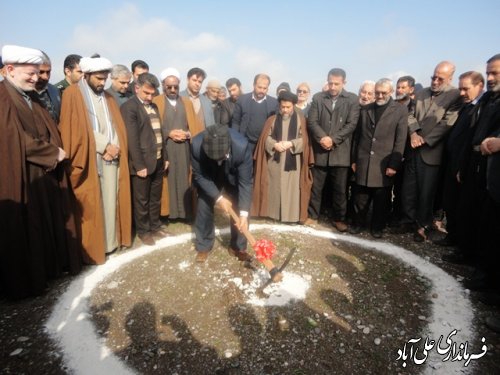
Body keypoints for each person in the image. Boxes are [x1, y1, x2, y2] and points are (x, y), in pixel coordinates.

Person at [0, 44, 81, 299]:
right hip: (22, 175)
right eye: (30, 74)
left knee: (46, 224)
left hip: (44, 174)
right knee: (27, 227)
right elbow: (12, 138)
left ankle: (49, 269)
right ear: (10, 69)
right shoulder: (3, 97)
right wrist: (51, 153)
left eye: (38, 73)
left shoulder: (31, 95)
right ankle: (29, 281)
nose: (36, 79)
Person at [59, 55, 132, 264]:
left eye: (105, 79)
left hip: (112, 157)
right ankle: (97, 247)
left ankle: (111, 242)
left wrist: (115, 147)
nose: (102, 83)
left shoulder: (108, 96)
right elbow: (75, 129)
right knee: (94, 204)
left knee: (112, 200)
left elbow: (115, 125)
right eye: (99, 78)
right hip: (91, 159)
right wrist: (104, 146)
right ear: (87, 75)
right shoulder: (73, 94)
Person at [400, 61, 461, 242]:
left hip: (432, 152)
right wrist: (414, 134)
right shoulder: (420, 93)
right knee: (408, 189)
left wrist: (426, 140)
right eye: (433, 77)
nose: (435, 81)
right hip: (413, 149)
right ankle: (407, 220)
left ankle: (422, 226)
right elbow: (410, 115)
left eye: (440, 78)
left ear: (450, 78)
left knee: (427, 192)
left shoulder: (455, 95)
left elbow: (448, 123)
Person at [455, 54, 500, 292]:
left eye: (495, 73)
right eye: (489, 73)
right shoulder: (487, 101)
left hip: (493, 169)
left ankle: (488, 281)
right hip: (477, 163)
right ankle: (473, 260)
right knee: (475, 214)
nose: (490, 78)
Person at [349, 78, 408, 238]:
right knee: (360, 196)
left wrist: (394, 164)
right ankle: (357, 224)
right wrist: (354, 160)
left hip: (385, 162)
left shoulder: (400, 110)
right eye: (377, 93)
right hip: (363, 160)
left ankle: (377, 227)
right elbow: (357, 137)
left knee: (382, 198)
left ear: (391, 92)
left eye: (383, 93)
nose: (380, 96)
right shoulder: (365, 109)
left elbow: (400, 139)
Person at [306, 68, 360, 232]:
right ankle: (313, 215)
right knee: (316, 187)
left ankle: (339, 218)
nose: (333, 87)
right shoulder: (318, 98)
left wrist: (333, 140)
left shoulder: (352, 99)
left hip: (340, 152)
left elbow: (351, 124)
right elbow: (312, 121)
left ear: (344, 82)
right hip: (320, 150)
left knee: (340, 189)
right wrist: (322, 138)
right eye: (330, 83)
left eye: (337, 84)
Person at [191, 124, 253, 263]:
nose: (218, 161)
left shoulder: (241, 147)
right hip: (209, 175)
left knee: (240, 207)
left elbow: (245, 183)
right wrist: (219, 198)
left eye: (221, 157)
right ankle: (204, 246)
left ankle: (238, 247)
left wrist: (243, 214)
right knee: (203, 205)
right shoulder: (196, 145)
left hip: (233, 174)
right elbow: (199, 176)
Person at [437, 71, 484, 251]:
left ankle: (463, 246)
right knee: (450, 202)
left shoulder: (480, 109)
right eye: (460, 88)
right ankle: (453, 236)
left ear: (480, 85)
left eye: (466, 89)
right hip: (453, 161)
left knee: (463, 207)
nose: (462, 93)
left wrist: (462, 167)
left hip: (465, 166)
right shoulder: (465, 107)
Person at [121, 73, 169, 246]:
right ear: (136, 88)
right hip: (141, 163)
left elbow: (160, 133)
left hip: (157, 159)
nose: (150, 97)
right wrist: (139, 165)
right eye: (146, 93)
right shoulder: (129, 107)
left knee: (155, 197)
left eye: (152, 94)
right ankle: (144, 231)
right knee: (142, 199)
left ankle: (155, 226)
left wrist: (165, 157)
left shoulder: (154, 106)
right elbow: (132, 140)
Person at [252, 91, 313, 223]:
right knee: (273, 187)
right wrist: (274, 144)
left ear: (293, 106)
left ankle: (291, 216)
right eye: (283, 107)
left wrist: (291, 143)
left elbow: (305, 141)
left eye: (288, 107)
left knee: (291, 189)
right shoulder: (272, 120)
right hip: (275, 160)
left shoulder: (301, 120)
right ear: (279, 106)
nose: (285, 110)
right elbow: (265, 139)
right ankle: (272, 214)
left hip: (293, 161)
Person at [153, 67, 203, 221]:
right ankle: (169, 213)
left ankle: (185, 212)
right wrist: (169, 133)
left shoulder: (186, 102)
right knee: (168, 179)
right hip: (166, 148)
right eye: (169, 87)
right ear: (163, 86)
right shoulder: (157, 102)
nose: (173, 89)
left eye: (176, 86)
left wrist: (188, 134)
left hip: (184, 149)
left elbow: (195, 126)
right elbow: (152, 126)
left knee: (184, 177)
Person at [232, 73, 278, 154]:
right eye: (259, 87)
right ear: (254, 85)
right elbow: (236, 122)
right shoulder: (242, 100)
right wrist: (235, 140)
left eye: (265, 88)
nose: (262, 90)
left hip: (264, 144)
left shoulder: (274, 103)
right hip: (245, 143)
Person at [33, 51, 61, 123]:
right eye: (41, 72)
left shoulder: (55, 91)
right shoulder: (21, 92)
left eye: (48, 72)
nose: (45, 77)